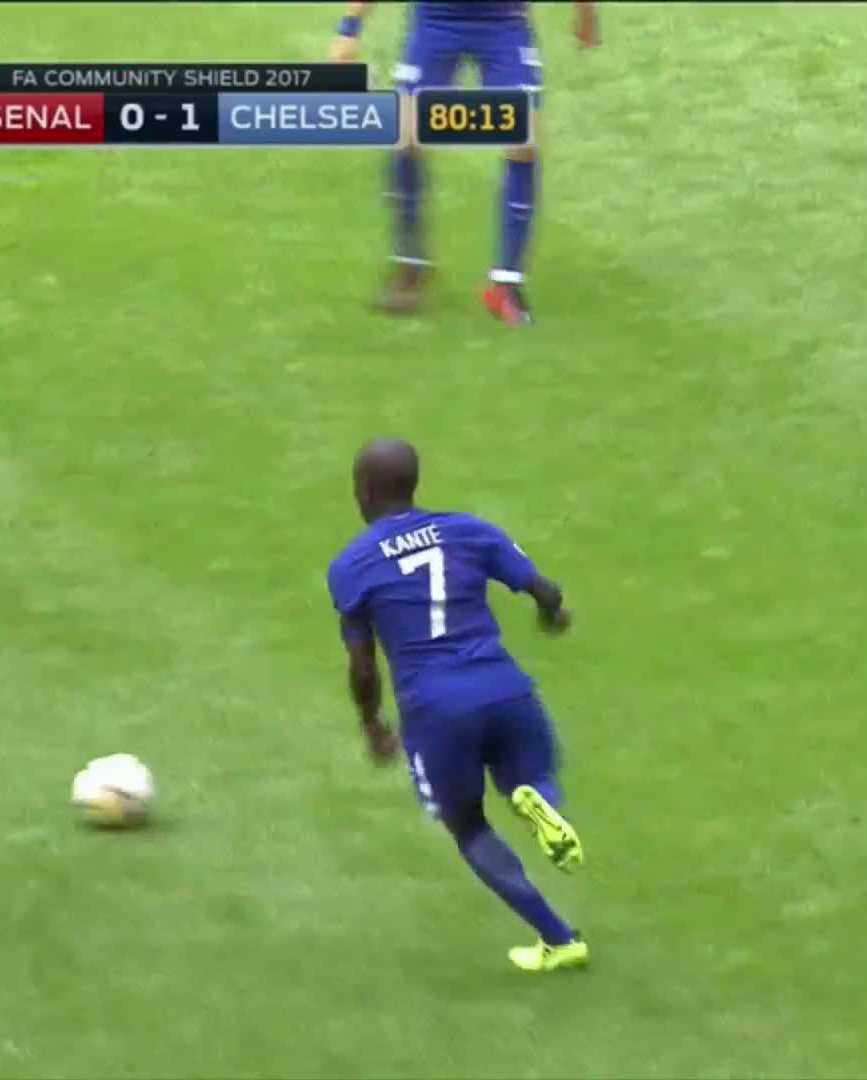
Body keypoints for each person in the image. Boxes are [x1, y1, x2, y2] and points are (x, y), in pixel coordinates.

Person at [326, 436, 589, 972]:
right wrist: (553, 616)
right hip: (504, 686)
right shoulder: (468, 529)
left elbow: (363, 665)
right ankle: (538, 802)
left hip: (436, 709)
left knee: (467, 823)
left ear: (364, 490)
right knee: (531, 775)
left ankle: (559, 938)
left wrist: (373, 725)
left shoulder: (352, 565)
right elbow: (546, 589)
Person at [329, 0, 600, 323]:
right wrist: (349, 29)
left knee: (523, 141)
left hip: (503, 23)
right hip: (436, 20)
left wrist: (586, 14)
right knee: (406, 137)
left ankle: (507, 282)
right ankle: (411, 262)